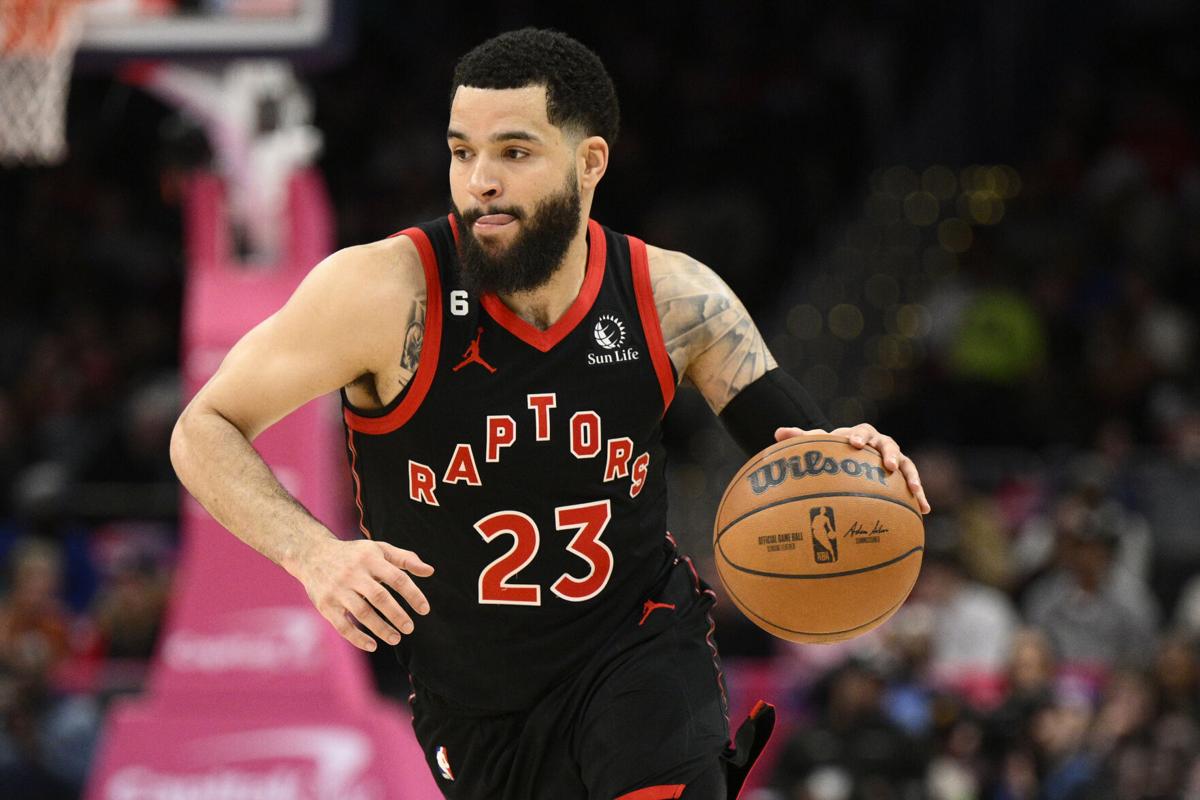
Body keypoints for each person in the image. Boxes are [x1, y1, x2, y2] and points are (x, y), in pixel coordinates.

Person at [169, 28, 930, 800]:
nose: (480, 182)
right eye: (462, 152)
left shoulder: (672, 297)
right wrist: (314, 555)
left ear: (589, 161)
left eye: (514, 152)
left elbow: (794, 445)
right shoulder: (383, 292)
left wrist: (843, 459)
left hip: (638, 652)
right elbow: (203, 430)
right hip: (475, 706)